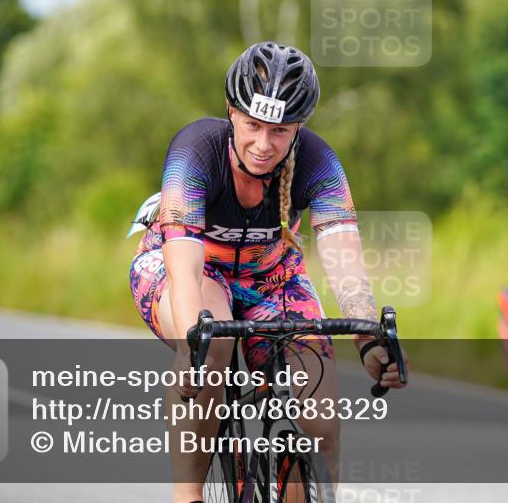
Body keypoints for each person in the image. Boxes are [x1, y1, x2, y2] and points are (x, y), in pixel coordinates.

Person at [128, 41, 407, 503]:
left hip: (272, 278)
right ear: (231, 112)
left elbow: (344, 258)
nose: (263, 145)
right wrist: (190, 348)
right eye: (253, 125)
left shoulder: (319, 161)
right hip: (192, 269)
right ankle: (188, 495)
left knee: (322, 424)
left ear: (298, 128)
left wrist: (367, 338)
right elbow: (184, 266)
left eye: (279, 131)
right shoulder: (195, 151)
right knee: (210, 345)